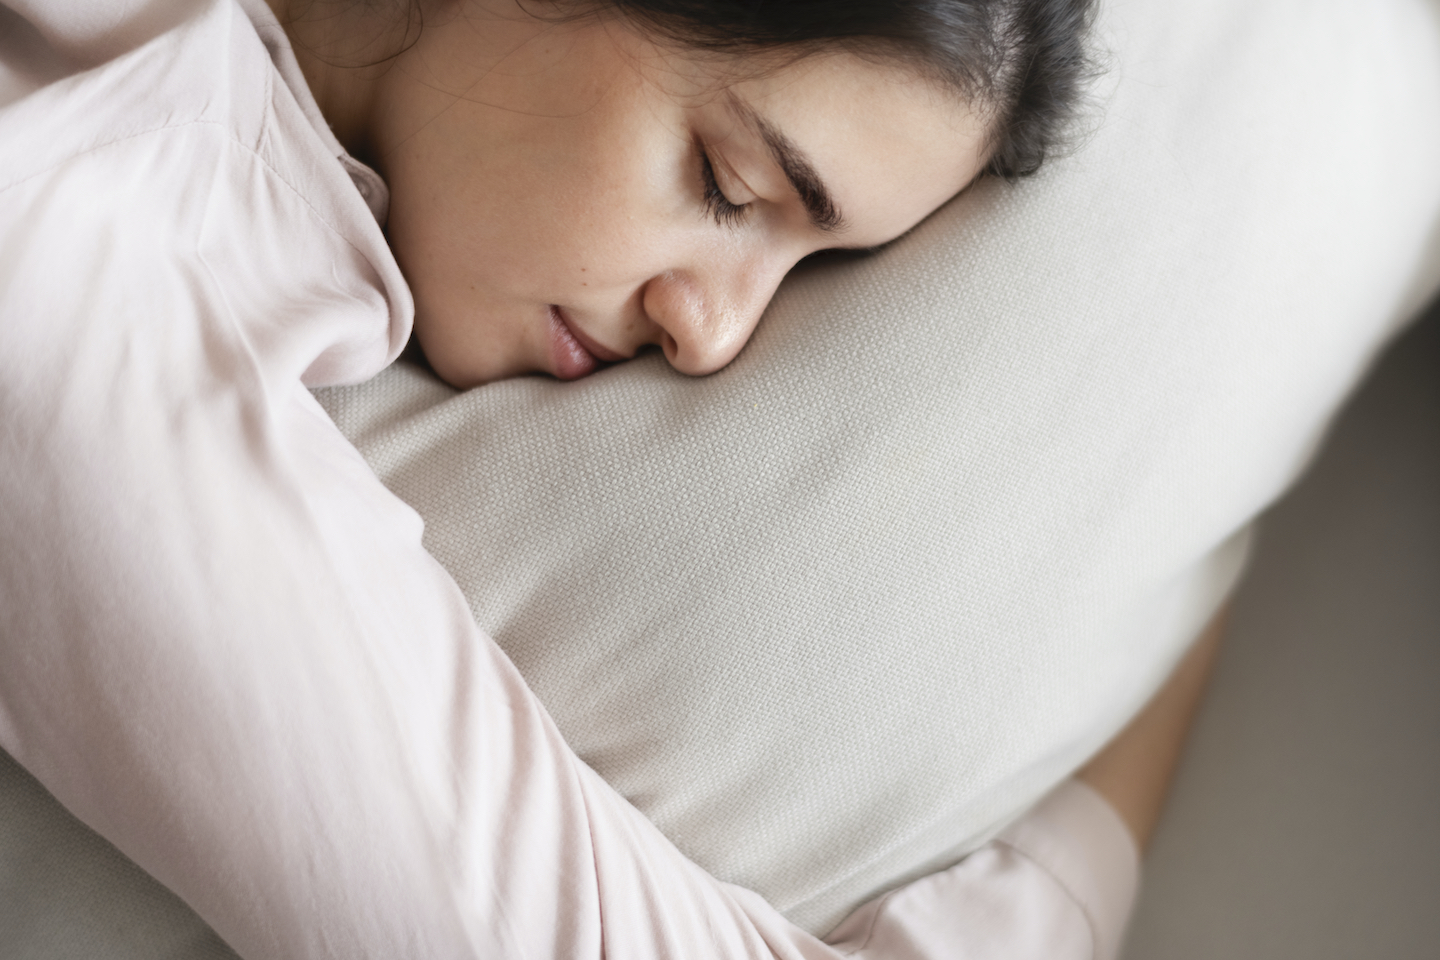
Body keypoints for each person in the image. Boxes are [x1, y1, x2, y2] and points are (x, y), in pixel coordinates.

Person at [0, 0, 1219, 956]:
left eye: (810, 269)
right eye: (728, 188)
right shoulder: (84, 278)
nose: (714, 334)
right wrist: (1192, 614)